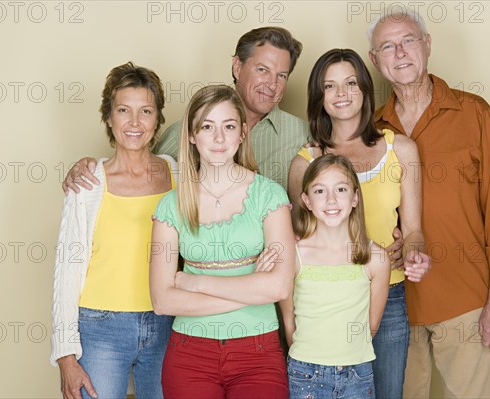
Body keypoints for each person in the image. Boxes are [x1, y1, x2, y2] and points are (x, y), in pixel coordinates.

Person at [367, 9, 490, 398]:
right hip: (394, 307)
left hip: (465, 299)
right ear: (375, 61)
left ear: (427, 44)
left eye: (408, 40)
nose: (400, 52)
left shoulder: (474, 114)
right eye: (387, 46)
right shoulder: (372, 130)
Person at [288, 48, 430, 399]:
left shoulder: (401, 150)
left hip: (388, 292)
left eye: (351, 83)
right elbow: (298, 236)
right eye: (330, 86)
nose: (342, 94)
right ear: (318, 97)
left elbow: (413, 230)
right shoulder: (305, 162)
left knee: (385, 392)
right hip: (324, 300)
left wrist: (412, 254)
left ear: (366, 89)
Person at [149, 84, 296, 398]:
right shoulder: (170, 205)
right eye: (207, 126)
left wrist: (196, 281)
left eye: (228, 126)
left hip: (258, 351)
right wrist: (254, 288)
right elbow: (163, 301)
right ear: (191, 135)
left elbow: (280, 287)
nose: (218, 138)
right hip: (190, 354)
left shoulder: (270, 195)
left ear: (242, 133)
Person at [50, 62, 176, 399]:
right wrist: (65, 356)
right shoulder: (87, 184)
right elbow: (67, 271)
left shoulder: (179, 175)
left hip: (168, 325)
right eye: (124, 110)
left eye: (145, 111)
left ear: (157, 119)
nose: (135, 123)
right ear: (109, 117)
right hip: (100, 329)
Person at [62, 27, 309, 191]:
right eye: (262, 70)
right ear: (237, 67)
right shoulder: (185, 130)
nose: (272, 84)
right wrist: (91, 170)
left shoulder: (302, 135)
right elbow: (138, 173)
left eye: (282, 75)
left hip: (275, 266)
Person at [283, 153, 391, 399]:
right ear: (306, 201)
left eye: (340, 189)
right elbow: (289, 322)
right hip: (304, 373)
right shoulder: (294, 255)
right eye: (320, 191)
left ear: (354, 198)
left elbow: (370, 327)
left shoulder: (376, 258)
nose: (331, 200)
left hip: (357, 373)